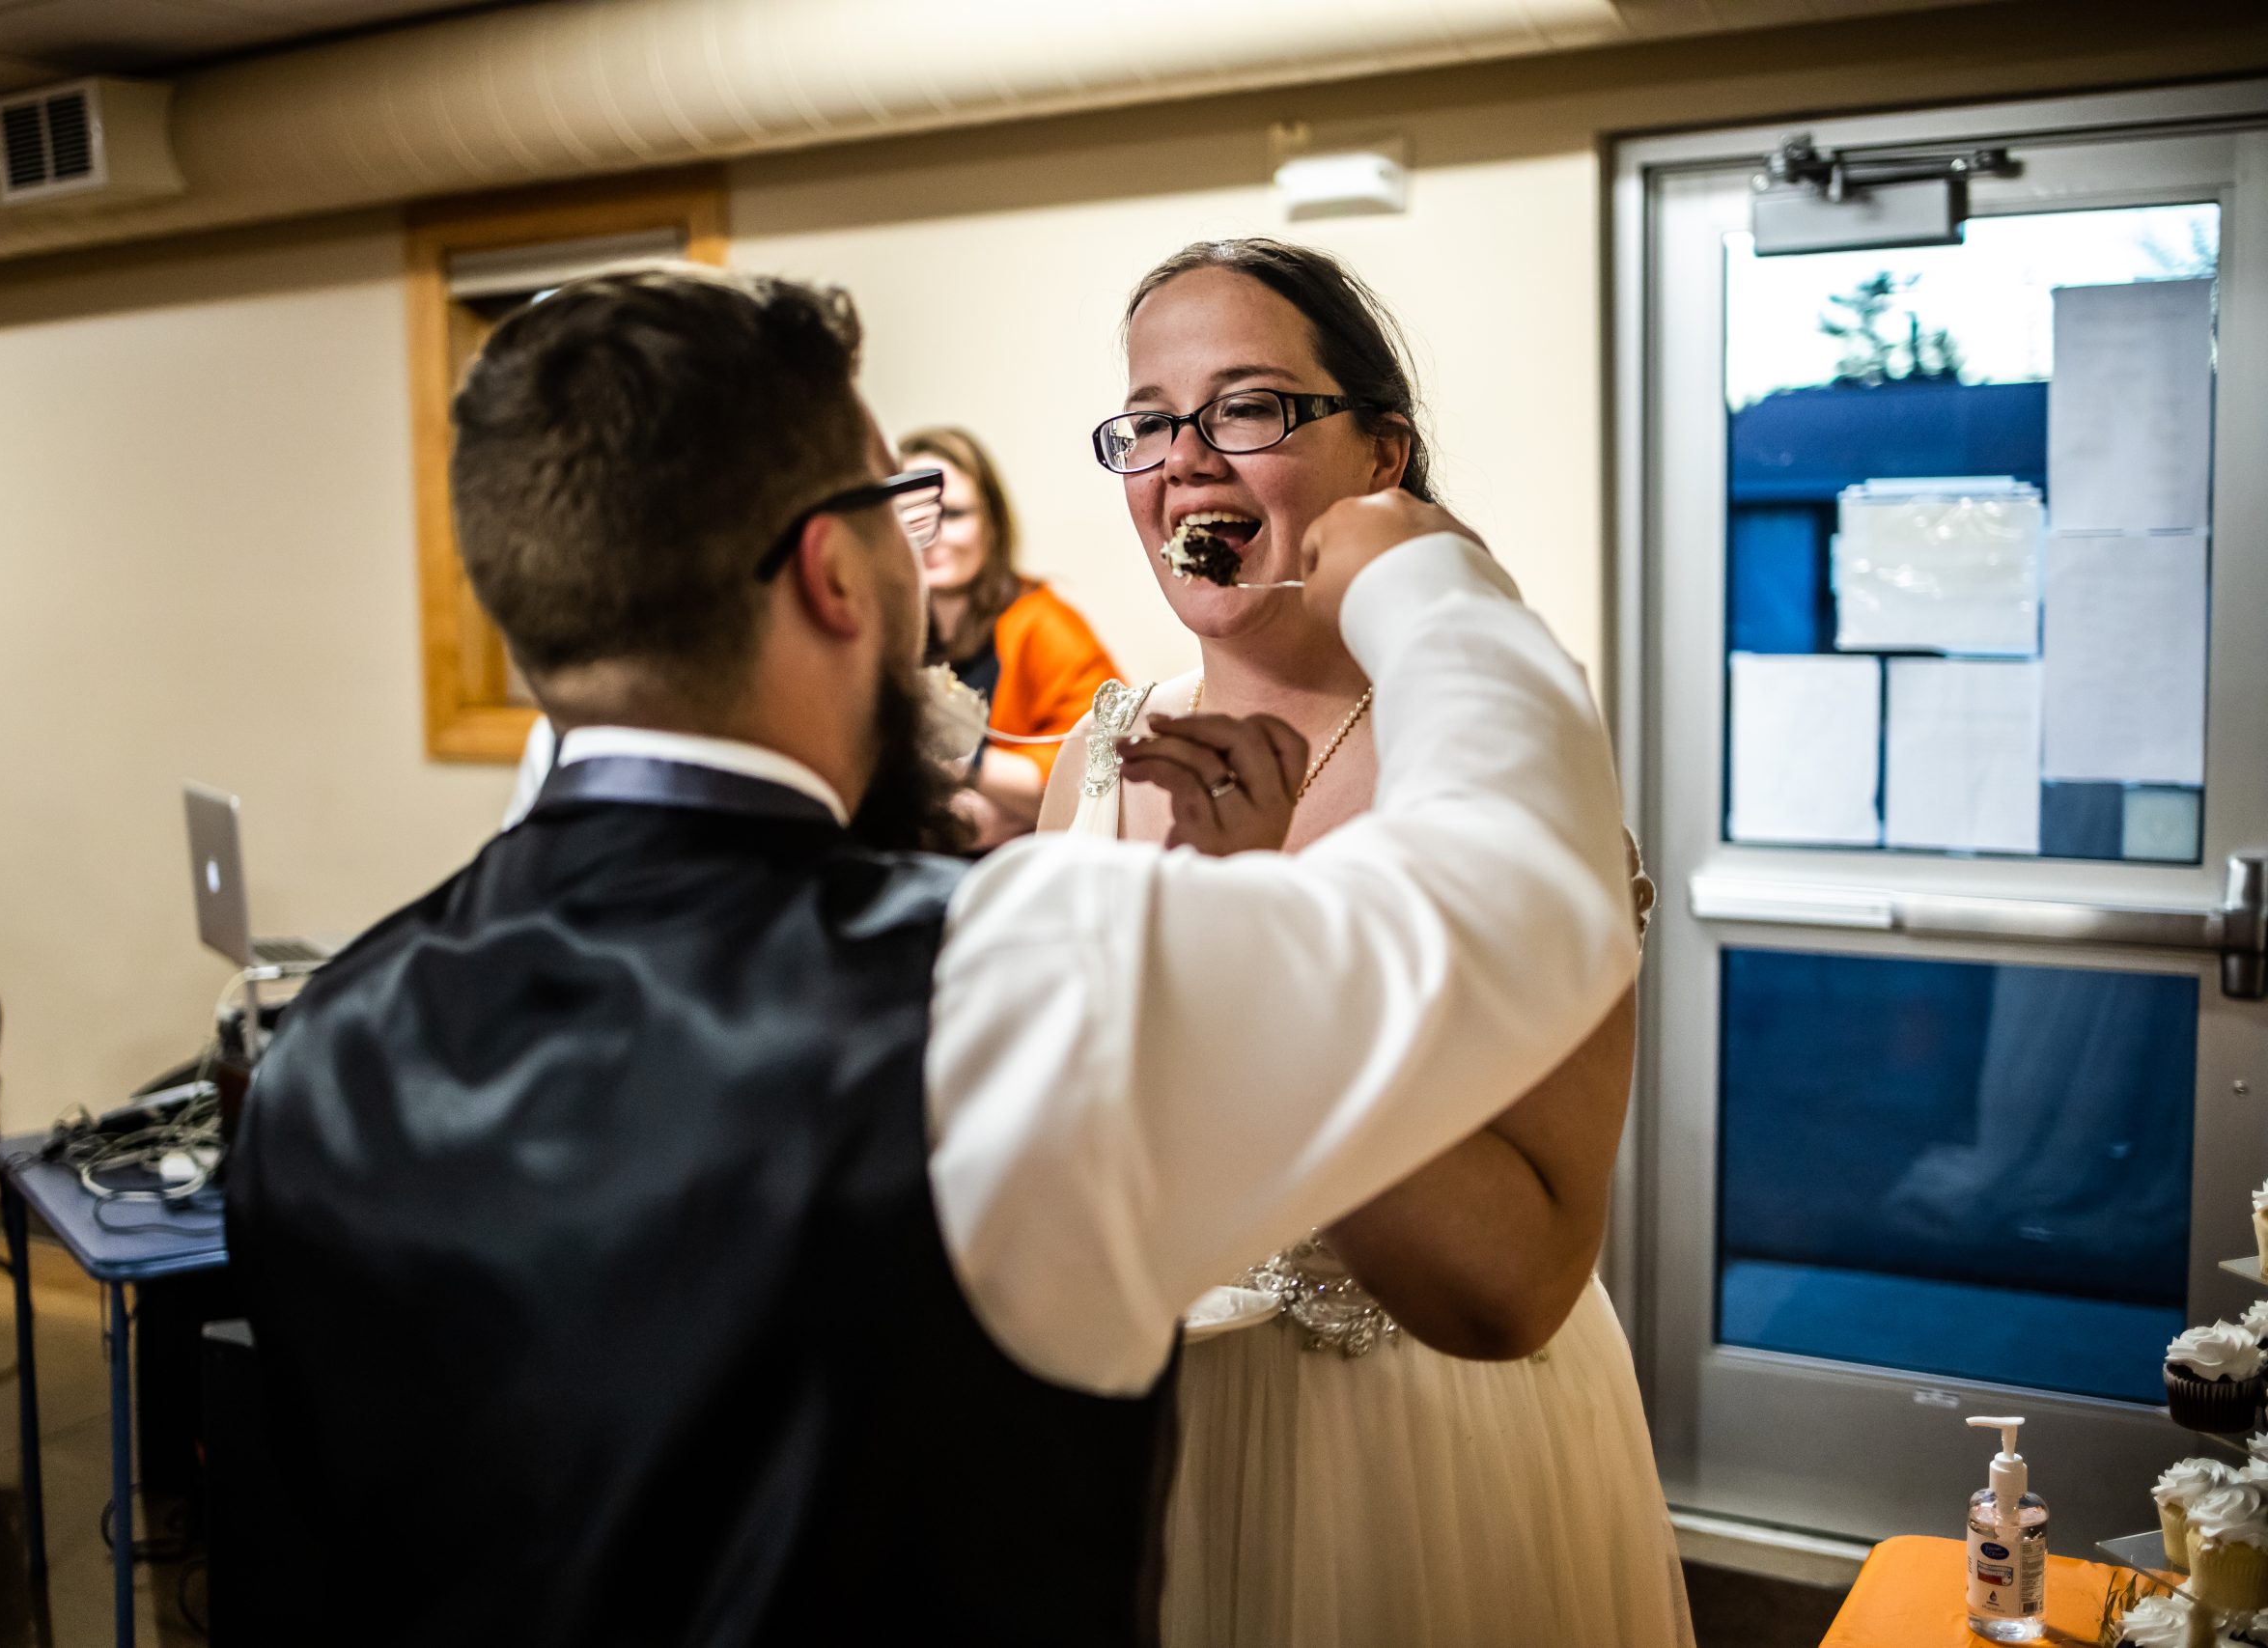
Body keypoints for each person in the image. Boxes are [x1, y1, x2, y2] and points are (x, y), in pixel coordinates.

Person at [226, 265, 1637, 1646]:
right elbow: (1521, 881)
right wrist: (1429, 582)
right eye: (893, 509)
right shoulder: (1009, 971)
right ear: (835, 576)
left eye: (1247, 407)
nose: (1183, 459)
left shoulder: (323, 1044)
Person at [1042, 238, 1691, 1647]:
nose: (1185, 460)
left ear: (1381, 453)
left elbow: (1515, 1278)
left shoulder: (1499, 768)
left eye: (1247, 407)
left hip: (1413, 1454)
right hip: (1136, 1446)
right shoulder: (1100, 751)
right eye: (1149, 422)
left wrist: (1253, 953)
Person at [900, 426, 1118, 849]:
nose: (930, 536)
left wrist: (962, 763)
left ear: (992, 523)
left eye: (953, 515)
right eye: (911, 518)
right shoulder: (881, 630)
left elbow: (1105, 763)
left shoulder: (1044, 623)